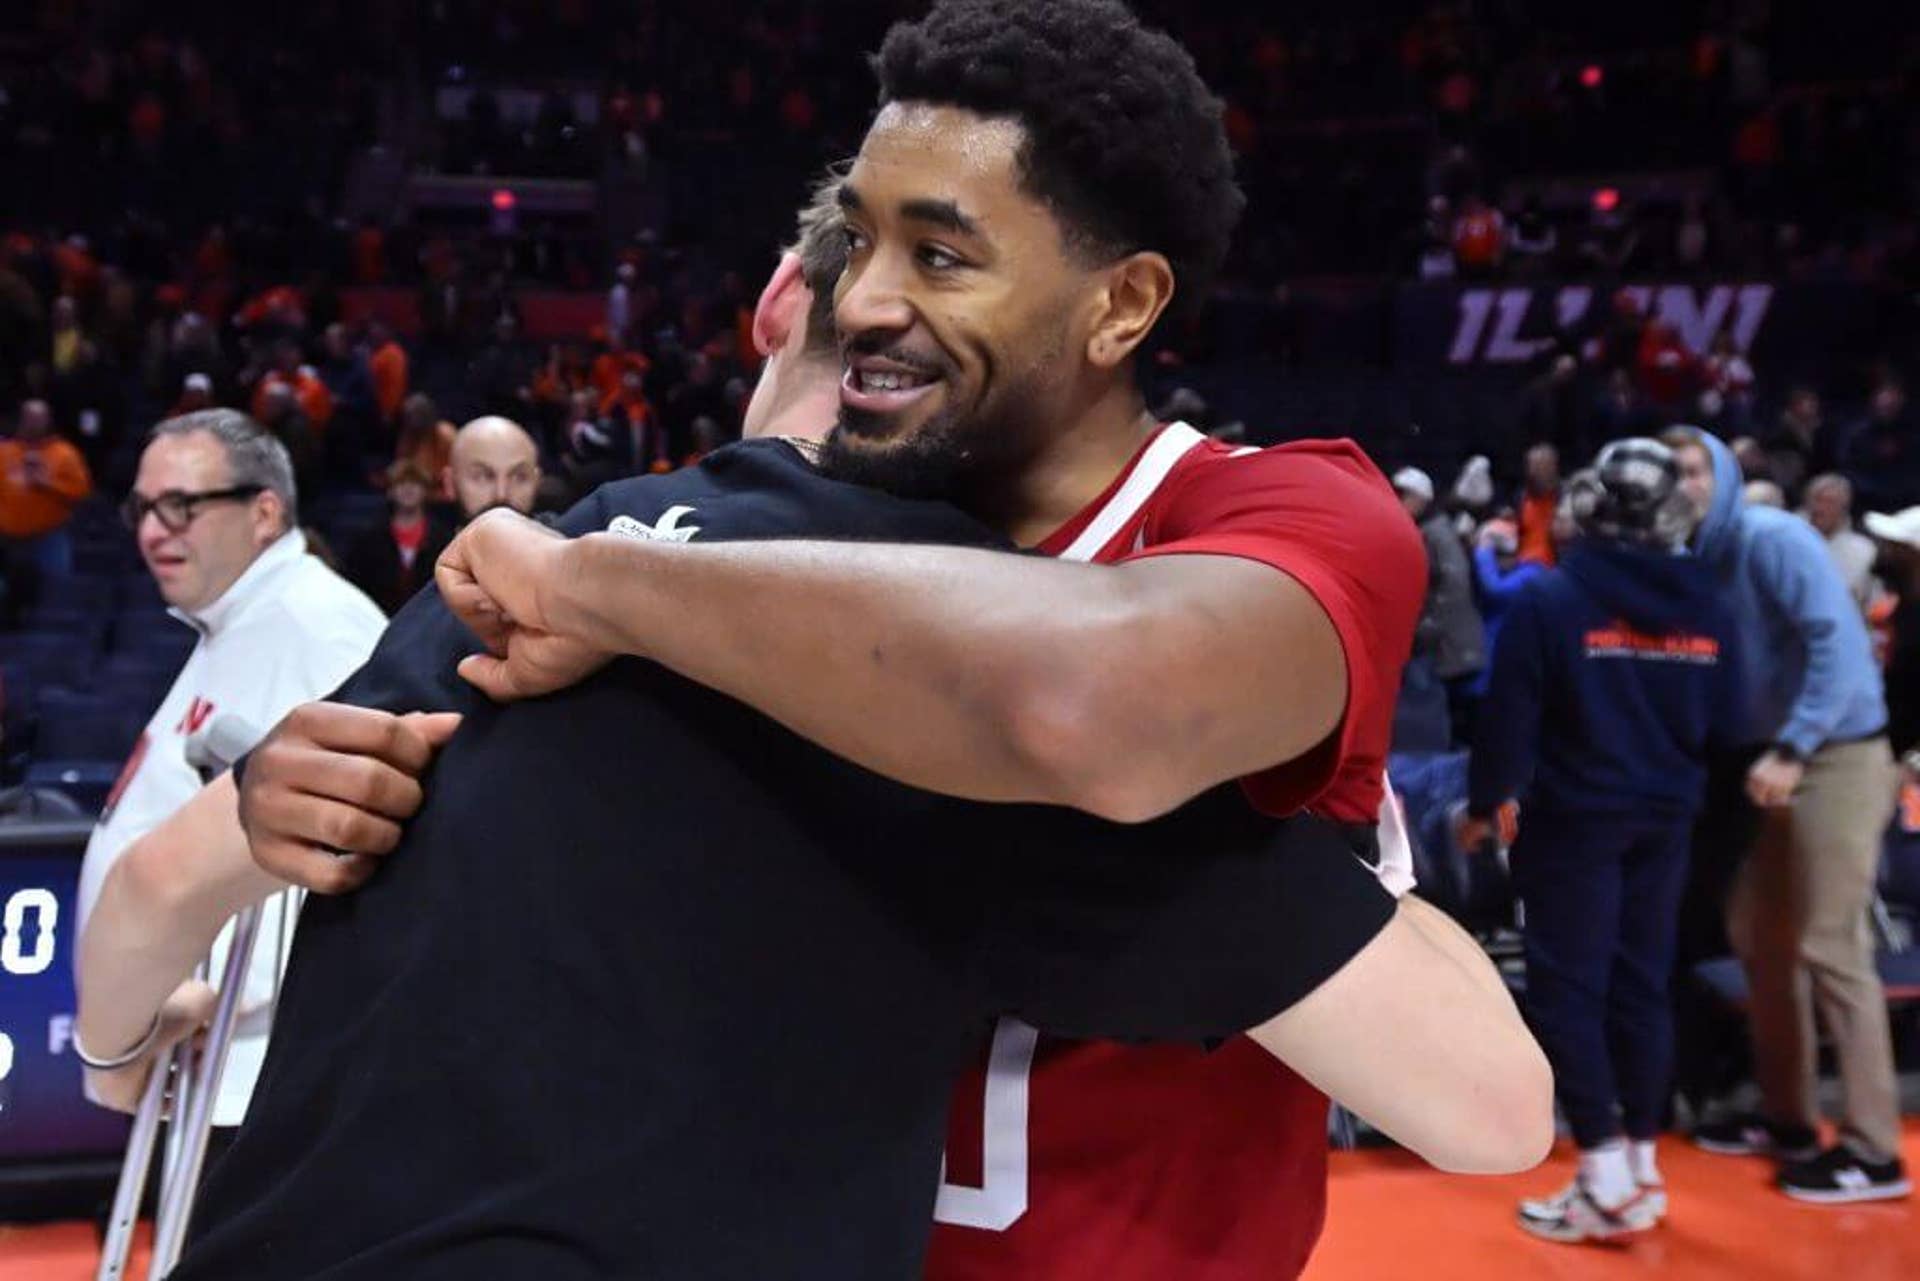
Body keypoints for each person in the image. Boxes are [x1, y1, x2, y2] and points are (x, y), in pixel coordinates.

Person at [81, 177, 1549, 1280]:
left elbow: (147, 893)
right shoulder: (982, 676)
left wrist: (119, 1052)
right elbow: (1492, 1107)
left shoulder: (515, 578)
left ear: (782, 299)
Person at [413, 3, 1546, 1274]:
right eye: (858, 243)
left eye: (941, 257)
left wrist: (604, 589)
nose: (869, 301)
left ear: (1121, 307)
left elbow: (1089, 702)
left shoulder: (1284, 513)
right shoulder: (791, 541)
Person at [1460, 439, 1743, 1242]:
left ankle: (1604, 1175)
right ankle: (1643, 1165)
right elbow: (1730, 722)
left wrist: (1483, 807)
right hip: (1669, 819)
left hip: (1576, 820)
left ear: (1588, 504)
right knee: (1642, 984)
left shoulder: (1552, 600)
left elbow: (1506, 721)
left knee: (1566, 990)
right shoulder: (1711, 604)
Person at [74, 409, 384, 1135]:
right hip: (211, 1075)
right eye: (143, 509)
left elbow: (347, 842)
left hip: (259, 1084)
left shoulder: (316, 625)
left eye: (181, 505)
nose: (153, 530)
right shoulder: (237, 625)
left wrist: (182, 1001)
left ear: (264, 512)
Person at [1668, 428, 1910, 1203]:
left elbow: (1838, 649)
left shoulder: (1773, 537)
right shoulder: (1690, 559)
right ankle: (1791, 1119)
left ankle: (1875, 1152)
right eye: (1672, 471)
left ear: (1729, 475)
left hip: (1833, 754)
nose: (1685, 482)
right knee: (1760, 939)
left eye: (1698, 467)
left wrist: (1796, 747)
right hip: (1765, 759)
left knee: (1830, 942)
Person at [1394, 466, 1485, 745]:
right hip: (1435, 641)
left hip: (1443, 643)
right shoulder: (1424, 530)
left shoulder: (1436, 533)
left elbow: (1454, 581)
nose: (1397, 501)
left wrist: (1427, 627)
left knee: (1447, 719)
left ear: (1420, 499)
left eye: (1403, 495)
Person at [344, 458, 454, 615]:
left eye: (415, 483)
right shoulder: (368, 541)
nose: (408, 489)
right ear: (390, 491)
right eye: (401, 483)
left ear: (425, 491)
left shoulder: (443, 539)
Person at [0, 397, 92, 582]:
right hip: (6, 539)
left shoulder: (65, 453)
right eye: (29, 418)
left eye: (39, 418)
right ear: (21, 419)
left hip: (49, 537)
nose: (33, 423)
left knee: (56, 593)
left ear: (48, 421)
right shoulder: (4, 451)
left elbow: (82, 493)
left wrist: (48, 484)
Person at [1802, 473, 1881, 614]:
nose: (1820, 509)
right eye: (1816, 500)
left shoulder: (1864, 550)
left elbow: (1874, 602)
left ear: (1843, 508)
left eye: (1829, 502)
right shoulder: (1791, 543)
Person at [446, 414, 541, 521]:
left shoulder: (558, 535)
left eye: (519, 477)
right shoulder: (434, 536)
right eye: (482, 477)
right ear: (450, 483)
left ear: (537, 482)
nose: (501, 495)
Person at [1517, 442, 1562, 566]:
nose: (1534, 472)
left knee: (1498, 586)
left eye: (1541, 466)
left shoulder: (1566, 500)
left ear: (1553, 467)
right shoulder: (1522, 498)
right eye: (1532, 466)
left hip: (1552, 568)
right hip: (1523, 562)